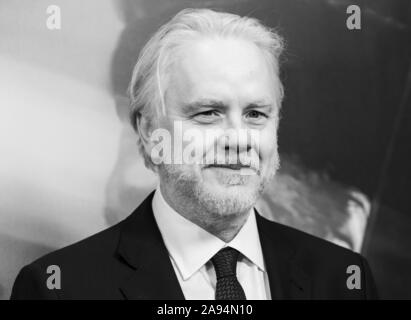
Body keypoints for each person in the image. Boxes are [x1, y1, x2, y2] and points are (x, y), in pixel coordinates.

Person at [10, 8, 378, 300]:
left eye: (256, 114)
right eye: (207, 113)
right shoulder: (57, 290)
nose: (237, 140)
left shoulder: (344, 282)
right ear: (147, 130)